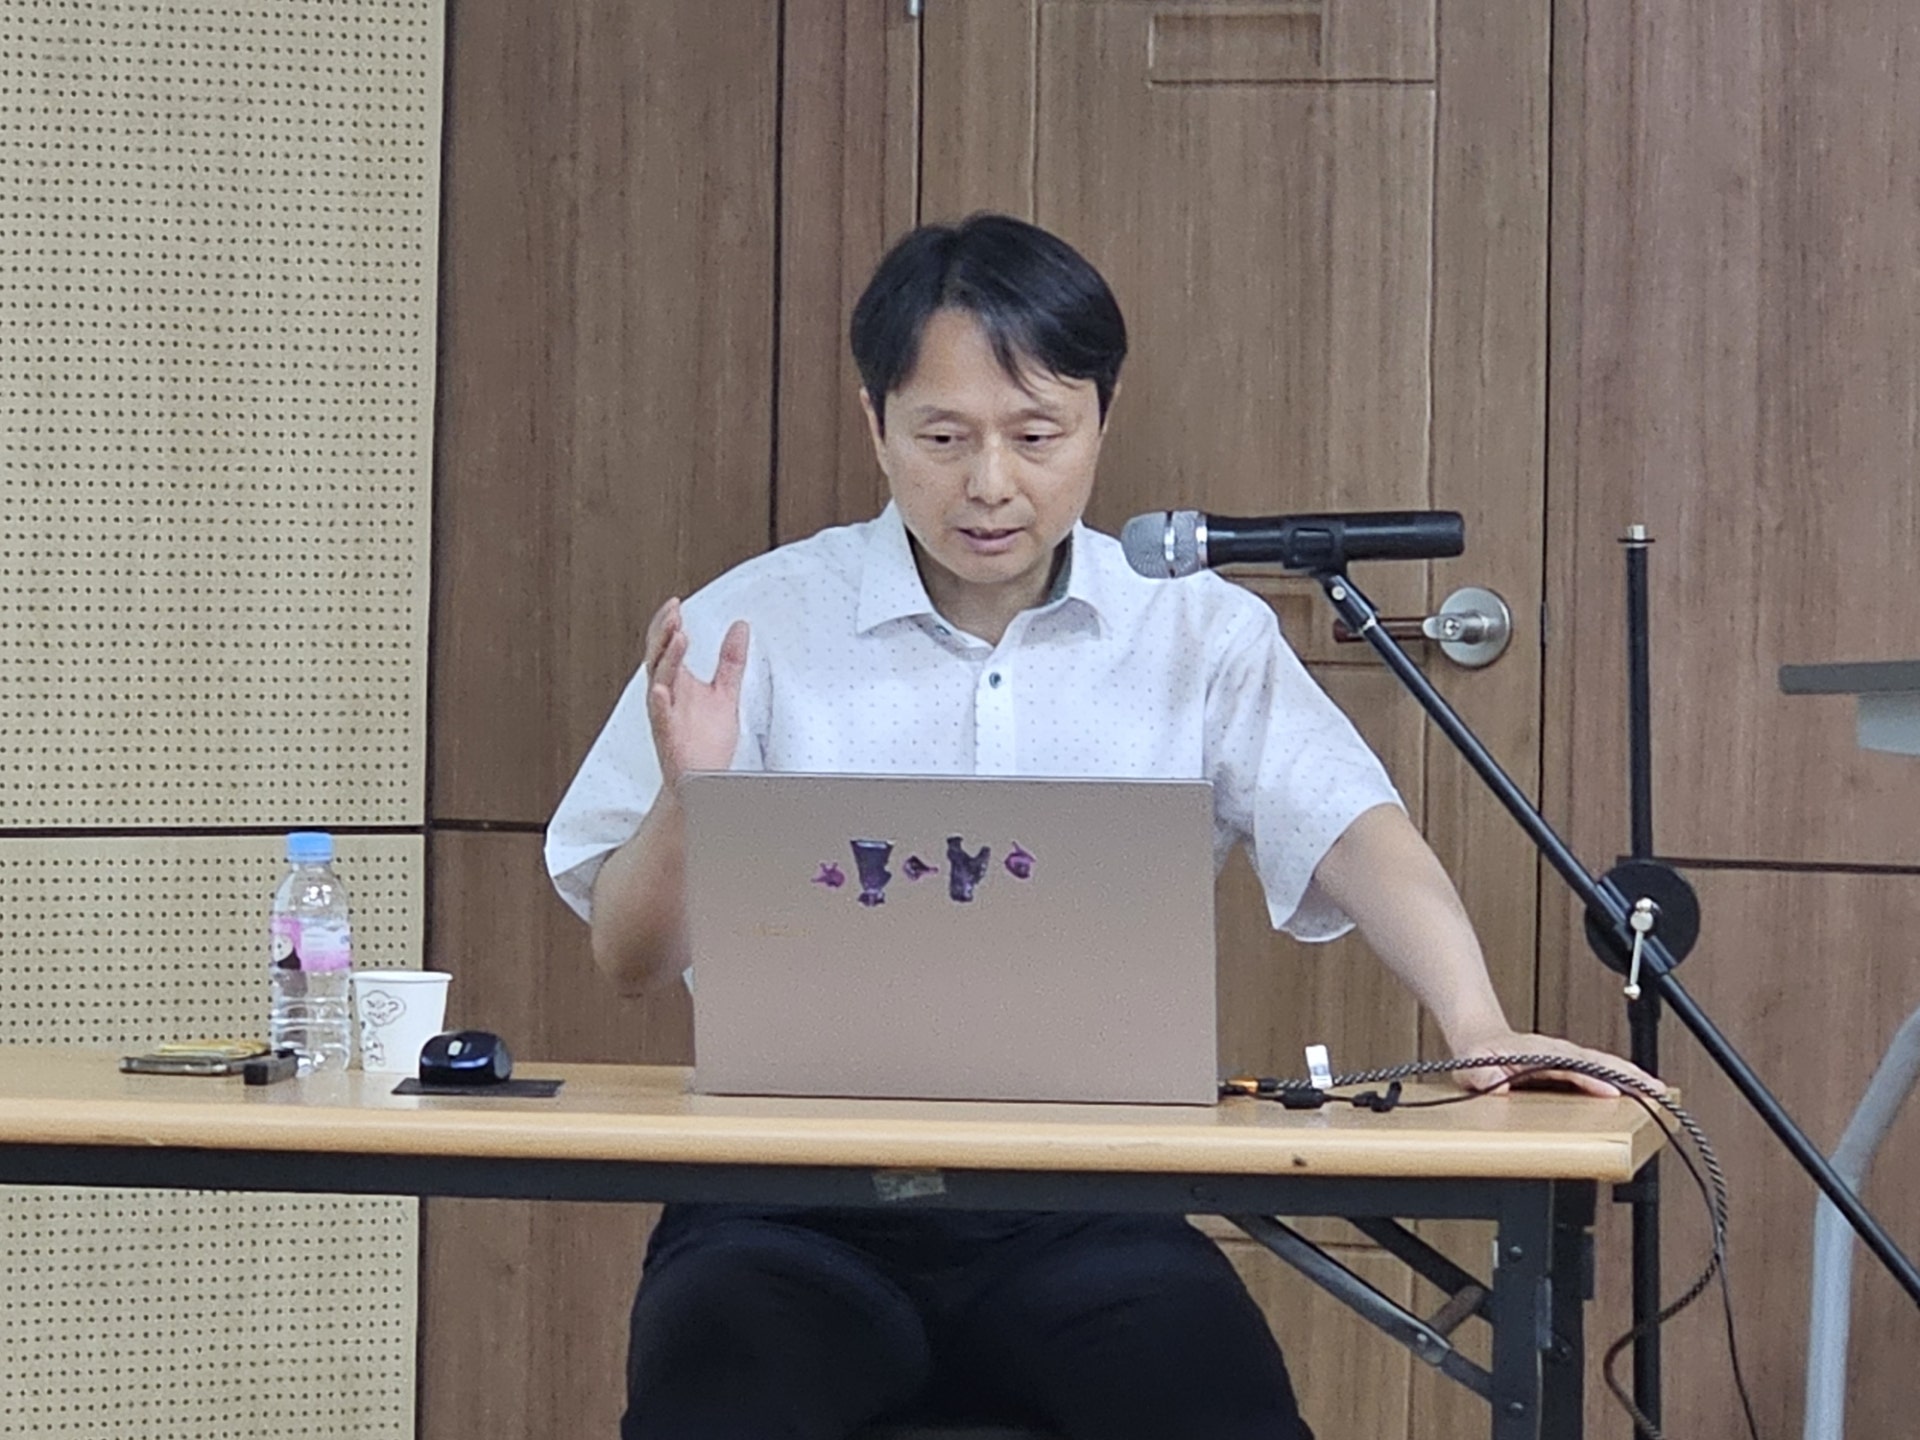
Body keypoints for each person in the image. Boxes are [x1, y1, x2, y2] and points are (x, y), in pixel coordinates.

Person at [546, 213, 1658, 1440]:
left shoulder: (1192, 629)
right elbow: (629, 960)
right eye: (943, 437)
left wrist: (1475, 1022)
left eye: (1036, 436)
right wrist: (691, 799)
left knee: (1212, 1402)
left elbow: (1352, 828)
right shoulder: (748, 628)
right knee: (721, 1391)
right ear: (874, 423)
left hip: (1087, 1214)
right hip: (785, 1210)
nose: (989, 483)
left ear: (1101, 419)